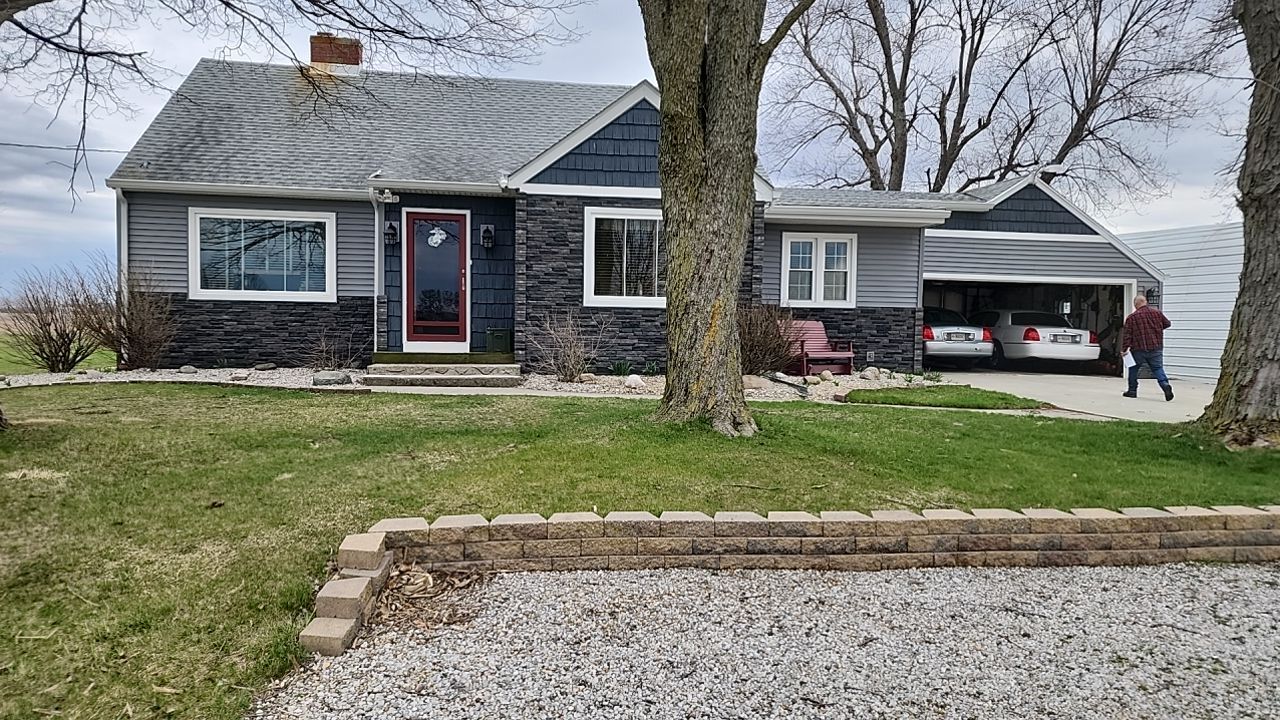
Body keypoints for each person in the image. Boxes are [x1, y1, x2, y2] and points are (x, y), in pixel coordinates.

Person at [1120, 295, 1173, 401]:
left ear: (1136, 304)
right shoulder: (1157, 313)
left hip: (1138, 349)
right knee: (1157, 368)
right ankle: (1165, 385)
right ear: (1145, 302)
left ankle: (1132, 391)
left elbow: (1127, 335)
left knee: (1133, 369)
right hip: (1156, 347)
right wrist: (1156, 329)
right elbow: (1167, 324)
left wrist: (1124, 349)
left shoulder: (1132, 317)